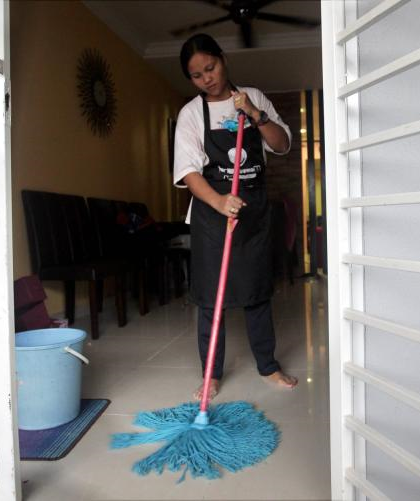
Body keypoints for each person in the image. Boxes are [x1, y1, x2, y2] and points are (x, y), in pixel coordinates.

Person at [173, 33, 298, 400]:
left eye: (210, 68)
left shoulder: (253, 97)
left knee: (258, 291)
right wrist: (218, 201)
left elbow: (282, 144)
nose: (206, 78)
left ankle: (268, 365)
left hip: (255, 211)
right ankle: (211, 374)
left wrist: (255, 116)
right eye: (196, 75)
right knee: (211, 297)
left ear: (222, 59)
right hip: (214, 215)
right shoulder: (192, 114)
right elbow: (189, 171)